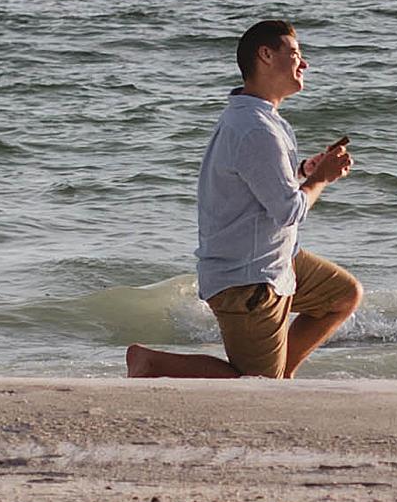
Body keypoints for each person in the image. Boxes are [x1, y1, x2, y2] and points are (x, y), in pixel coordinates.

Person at [126, 20, 361, 379]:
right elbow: (288, 211)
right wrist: (321, 179)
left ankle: (281, 376)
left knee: (343, 295)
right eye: (295, 54)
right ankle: (152, 363)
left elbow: (258, 183)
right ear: (265, 56)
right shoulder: (256, 128)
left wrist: (301, 172)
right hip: (248, 280)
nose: (305, 64)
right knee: (252, 384)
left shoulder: (255, 117)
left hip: (273, 261)